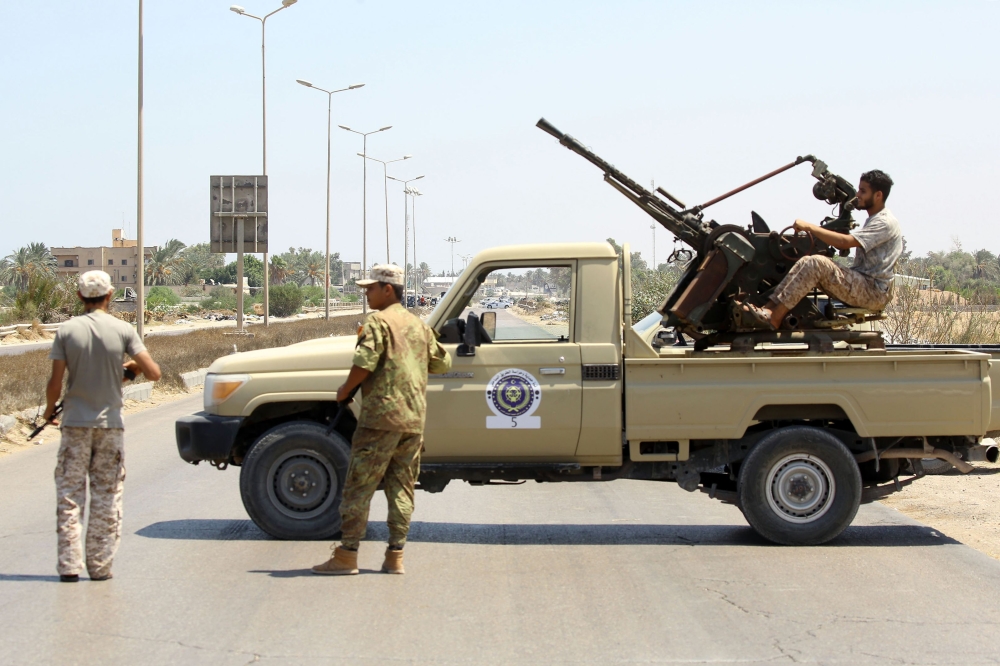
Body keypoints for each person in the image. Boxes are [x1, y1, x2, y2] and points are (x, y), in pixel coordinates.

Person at [312, 264, 451, 576]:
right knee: (402, 487)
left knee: (358, 486)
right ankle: (395, 555)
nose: (366, 293)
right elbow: (442, 362)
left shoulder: (377, 322)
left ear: (388, 289)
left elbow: (364, 362)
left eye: (370, 288)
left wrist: (345, 391)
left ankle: (347, 555)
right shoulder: (418, 325)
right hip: (412, 421)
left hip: (380, 420)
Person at [44, 270, 161, 582]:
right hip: (110, 426)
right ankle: (100, 566)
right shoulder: (123, 330)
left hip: (74, 425)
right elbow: (153, 373)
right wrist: (129, 369)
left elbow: (56, 382)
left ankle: (69, 566)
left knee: (70, 495)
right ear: (110, 296)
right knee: (107, 496)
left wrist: (47, 411)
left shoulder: (67, 331)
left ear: (81, 297)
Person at [742, 170, 901, 330]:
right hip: (864, 285)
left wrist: (810, 227)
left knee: (816, 263)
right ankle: (767, 310)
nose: (858, 195)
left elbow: (844, 242)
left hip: (872, 292)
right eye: (859, 189)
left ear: (878, 195)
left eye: (863, 191)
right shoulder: (875, 219)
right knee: (807, 261)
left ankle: (774, 318)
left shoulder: (884, 222)